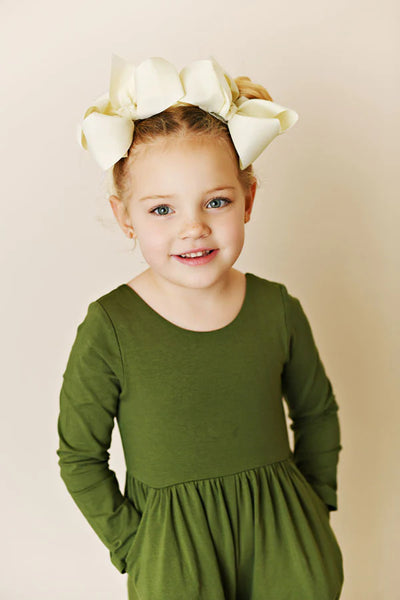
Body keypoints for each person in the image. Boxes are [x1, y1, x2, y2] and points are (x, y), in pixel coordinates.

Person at [56, 54, 344, 600]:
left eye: (216, 201)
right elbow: (80, 457)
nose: (194, 228)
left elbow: (316, 413)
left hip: (288, 550)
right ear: (125, 217)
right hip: (176, 560)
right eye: (162, 210)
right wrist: (135, 545)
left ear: (247, 201)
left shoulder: (276, 308)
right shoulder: (111, 326)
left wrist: (314, 507)